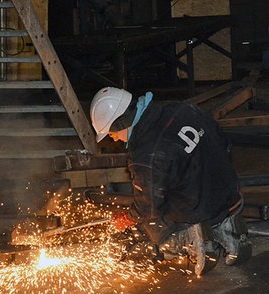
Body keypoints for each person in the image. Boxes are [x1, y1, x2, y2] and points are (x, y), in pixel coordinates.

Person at [90, 87, 251, 276]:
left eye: (112, 134)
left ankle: (197, 241)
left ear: (120, 123)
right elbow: (224, 144)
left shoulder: (145, 155)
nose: (115, 139)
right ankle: (230, 230)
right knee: (187, 178)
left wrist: (128, 217)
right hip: (228, 189)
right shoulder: (183, 109)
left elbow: (148, 206)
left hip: (197, 207)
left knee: (153, 228)